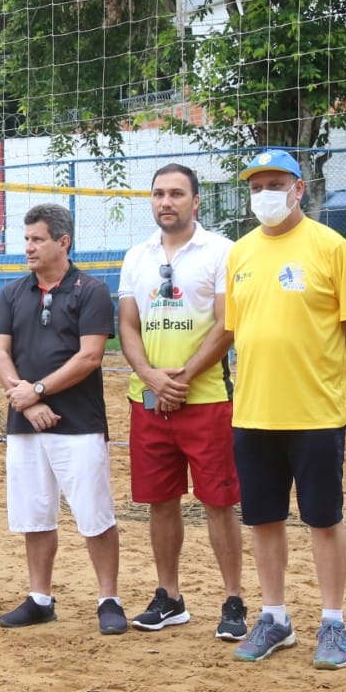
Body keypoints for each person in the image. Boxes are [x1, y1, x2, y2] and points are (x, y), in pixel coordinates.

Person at [224, 149, 346, 668]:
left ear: (300, 188)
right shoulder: (240, 253)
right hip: (254, 412)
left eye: (276, 183)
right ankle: (275, 617)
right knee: (264, 519)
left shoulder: (331, 247)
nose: (265, 193)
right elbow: (236, 328)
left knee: (323, 519)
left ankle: (333, 622)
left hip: (315, 413)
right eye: (257, 185)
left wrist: (327, 366)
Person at [117, 164, 246, 638]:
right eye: (158, 194)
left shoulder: (222, 252)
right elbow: (126, 324)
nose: (165, 202)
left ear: (196, 201)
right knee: (160, 501)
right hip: (148, 400)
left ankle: (234, 599)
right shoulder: (137, 256)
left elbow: (227, 324)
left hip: (206, 398)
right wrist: (150, 376)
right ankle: (169, 596)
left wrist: (185, 376)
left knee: (219, 502)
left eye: (176, 193)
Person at [0, 203, 125, 634]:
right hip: (26, 423)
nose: (28, 247)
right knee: (35, 514)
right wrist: (27, 401)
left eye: (37, 239)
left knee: (95, 514)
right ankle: (40, 597)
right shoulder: (12, 292)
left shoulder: (91, 290)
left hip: (79, 423)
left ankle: (109, 598)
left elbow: (90, 357)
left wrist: (40, 389)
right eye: (26, 239)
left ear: (62, 242)